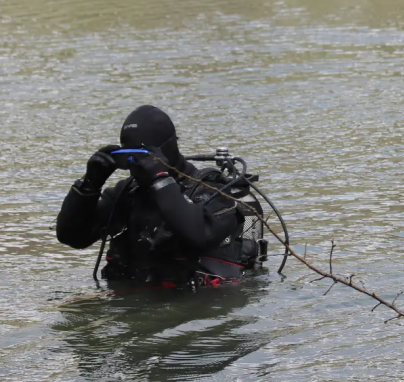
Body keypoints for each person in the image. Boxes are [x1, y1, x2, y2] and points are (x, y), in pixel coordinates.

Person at [56, 105, 262, 288]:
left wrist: (160, 180)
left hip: (197, 308)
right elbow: (73, 237)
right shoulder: (127, 194)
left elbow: (199, 234)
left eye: (140, 155)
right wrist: (89, 185)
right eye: (127, 156)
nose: (134, 164)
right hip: (136, 306)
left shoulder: (213, 189)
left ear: (166, 150)